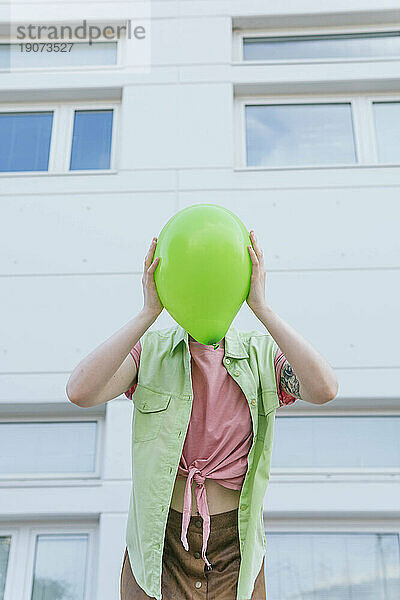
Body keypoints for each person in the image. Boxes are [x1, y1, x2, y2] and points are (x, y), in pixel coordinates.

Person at [66, 229, 338, 600]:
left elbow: (325, 389)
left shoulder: (260, 355)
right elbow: (80, 391)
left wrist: (262, 307)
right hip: (159, 548)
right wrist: (148, 312)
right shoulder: (151, 352)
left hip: (235, 549)